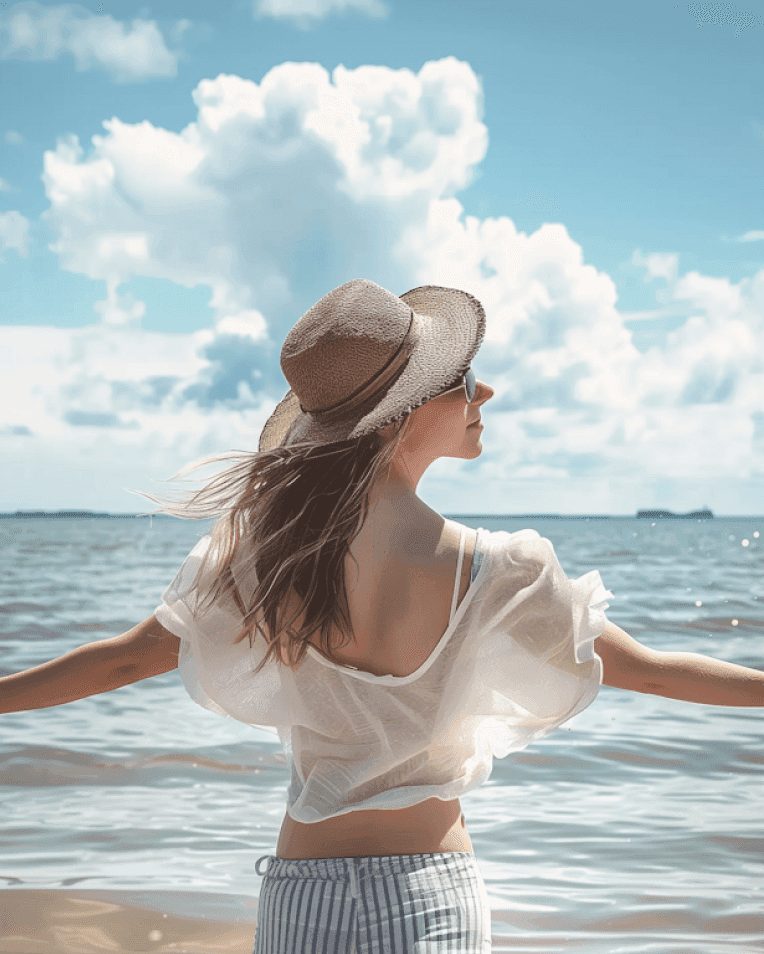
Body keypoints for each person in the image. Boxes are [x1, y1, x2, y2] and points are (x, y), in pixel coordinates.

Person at [2, 278, 763, 954]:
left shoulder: (262, 563)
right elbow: (653, 673)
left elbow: (124, 660)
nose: (483, 394)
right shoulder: (499, 573)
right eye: (462, 380)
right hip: (433, 899)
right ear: (404, 416)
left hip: (302, 899)